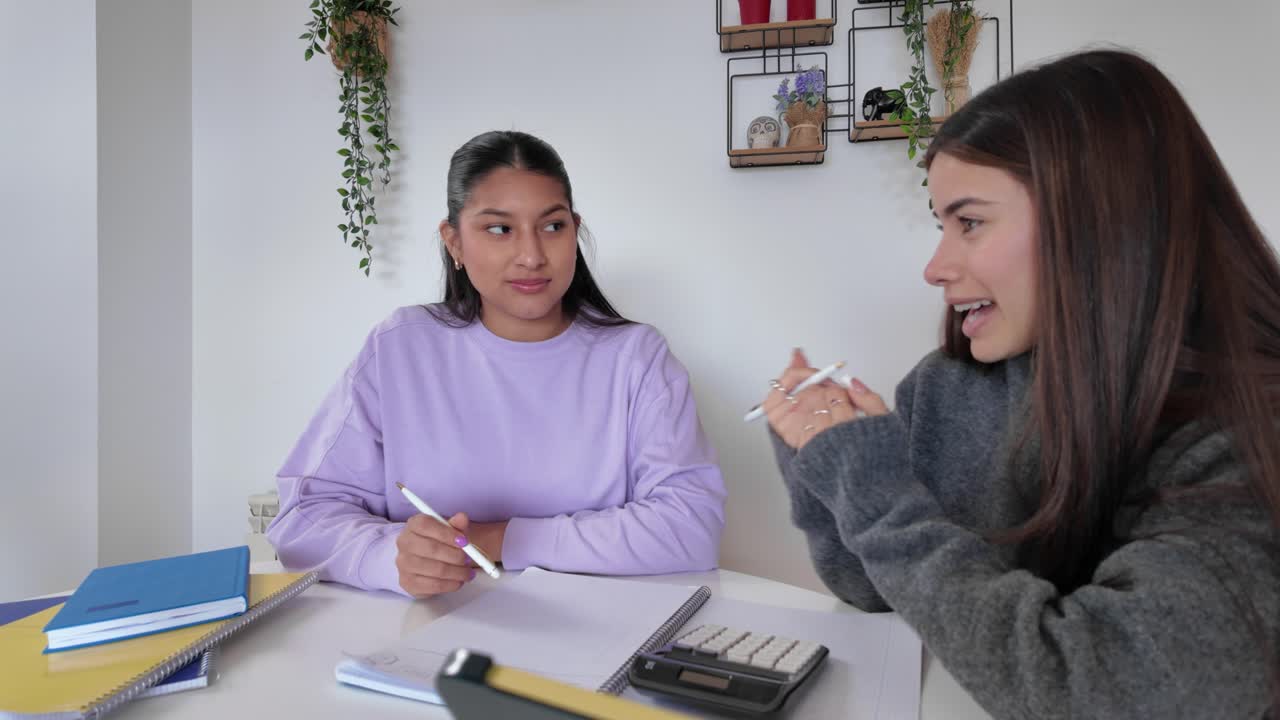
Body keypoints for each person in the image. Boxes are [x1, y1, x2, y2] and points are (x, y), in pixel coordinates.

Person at [761, 50, 1280, 719]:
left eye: (969, 222)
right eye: (938, 225)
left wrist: (881, 497)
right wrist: (828, 465)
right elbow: (874, 589)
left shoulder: (1245, 432)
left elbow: (1105, 686)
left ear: (1098, 221)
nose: (934, 267)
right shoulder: (949, 388)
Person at [268, 130, 725, 598]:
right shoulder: (399, 349)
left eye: (552, 226)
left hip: (599, 632)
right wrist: (392, 556)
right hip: (423, 633)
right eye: (500, 229)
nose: (532, 256)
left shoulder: (638, 358)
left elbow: (691, 526)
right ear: (455, 243)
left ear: (575, 229)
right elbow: (303, 517)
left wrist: (497, 538)